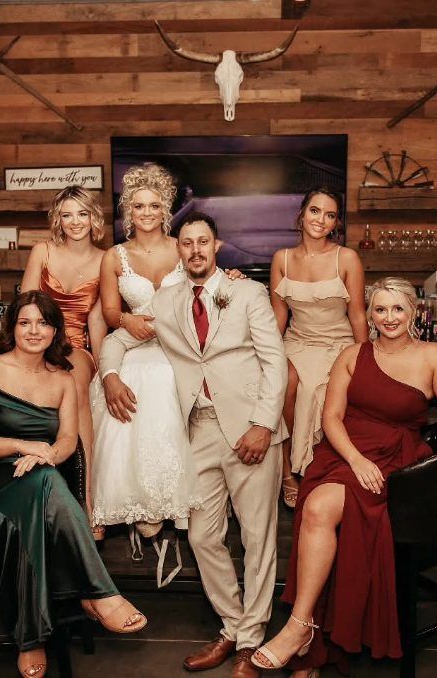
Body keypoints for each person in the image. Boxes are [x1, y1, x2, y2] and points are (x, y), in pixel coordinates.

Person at [252, 278, 437, 677]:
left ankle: (300, 630)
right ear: (369, 315)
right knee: (319, 503)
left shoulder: (432, 356)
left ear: (413, 312)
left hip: (397, 461)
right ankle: (304, 629)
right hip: (346, 452)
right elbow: (330, 417)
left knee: (323, 506)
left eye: (398, 309)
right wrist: (356, 459)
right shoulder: (353, 353)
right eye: (380, 309)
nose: (389, 317)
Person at [100, 214, 288, 678]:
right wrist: (108, 377)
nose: (196, 250)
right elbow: (117, 339)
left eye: (204, 241)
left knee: (257, 536)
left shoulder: (248, 292)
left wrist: (264, 425)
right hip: (197, 430)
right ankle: (231, 626)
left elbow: (274, 361)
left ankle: (251, 639)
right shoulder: (166, 302)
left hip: (250, 429)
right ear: (178, 250)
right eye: (188, 243)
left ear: (217, 245)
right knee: (203, 536)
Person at [0, 291, 147, 678]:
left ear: (55, 330)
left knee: (40, 486)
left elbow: (66, 443)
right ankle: (97, 592)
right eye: (24, 322)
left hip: (35, 474)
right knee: (44, 482)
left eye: (42, 322)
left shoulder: (63, 380)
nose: (33, 330)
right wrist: (21, 445)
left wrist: (43, 456)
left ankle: (31, 638)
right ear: (12, 328)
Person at [91, 163, 200, 549]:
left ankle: (167, 502)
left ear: (166, 209)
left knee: (169, 379)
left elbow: (206, 282)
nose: (148, 212)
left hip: (178, 346)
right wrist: (126, 319)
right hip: (134, 342)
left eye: (155, 205)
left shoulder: (182, 248)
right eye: (139, 206)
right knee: (135, 380)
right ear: (128, 211)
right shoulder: (114, 256)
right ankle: (138, 500)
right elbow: (107, 311)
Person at [270, 188, 366, 508]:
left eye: (329, 215)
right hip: (296, 342)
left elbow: (357, 315)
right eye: (315, 211)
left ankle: (320, 470)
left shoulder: (347, 258)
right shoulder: (281, 259)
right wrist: (268, 359)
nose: (320, 219)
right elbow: (278, 319)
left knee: (325, 391)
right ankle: (287, 470)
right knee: (285, 381)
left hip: (338, 344)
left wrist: (365, 360)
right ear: (301, 215)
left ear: (335, 223)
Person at [21, 185, 107, 539]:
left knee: (76, 382)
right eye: (67, 214)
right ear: (58, 219)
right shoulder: (42, 251)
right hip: (36, 337)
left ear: (93, 218)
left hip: (75, 343)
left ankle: (87, 500)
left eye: (82, 214)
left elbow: (97, 321)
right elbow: (25, 306)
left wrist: (105, 369)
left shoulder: (106, 260)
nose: (75, 222)